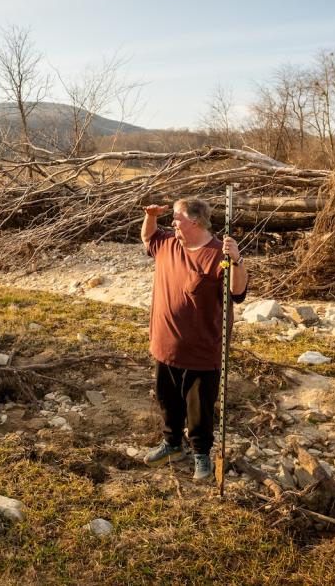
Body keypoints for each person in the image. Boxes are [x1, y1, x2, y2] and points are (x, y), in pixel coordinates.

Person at [140, 196, 248, 481]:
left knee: (199, 406)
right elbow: (147, 236)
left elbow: (237, 292)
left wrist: (236, 260)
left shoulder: (218, 255)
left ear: (195, 222)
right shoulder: (167, 243)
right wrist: (150, 216)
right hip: (165, 344)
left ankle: (201, 454)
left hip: (202, 350)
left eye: (176, 218)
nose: (172, 222)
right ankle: (172, 445)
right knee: (168, 400)